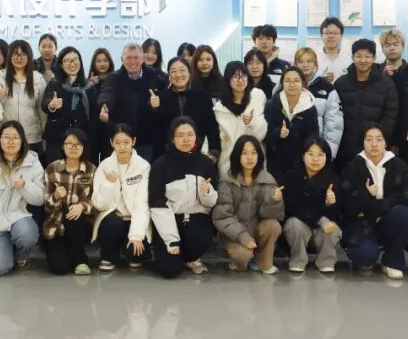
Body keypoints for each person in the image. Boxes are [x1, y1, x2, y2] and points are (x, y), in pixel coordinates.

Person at [339, 124, 408, 280]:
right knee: (364, 256)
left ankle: (392, 260)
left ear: (386, 142)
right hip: (361, 223)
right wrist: (366, 195)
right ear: (362, 142)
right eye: (369, 139)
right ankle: (368, 254)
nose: (374, 144)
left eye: (379, 139)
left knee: (404, 214)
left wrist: (375, 205)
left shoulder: (399, 165)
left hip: (388, 219)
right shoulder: (353, 166)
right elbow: (346, 201)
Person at [148, 117, 219, 278]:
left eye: (190, 134)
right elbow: (157, 203)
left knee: (199, 238)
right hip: (169, 219)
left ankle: (191, 258)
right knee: (169, 270)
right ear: (172, 138)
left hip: (195, 218)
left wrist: (207, 192)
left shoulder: (206, 163)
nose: (185, 139)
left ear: (196, 136)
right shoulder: (160, 165)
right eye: (180, 135)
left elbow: (212, 202)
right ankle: (176, 254)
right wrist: (171, 239)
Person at [0, 120, 45, 275]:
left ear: (22, 140)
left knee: (26, 235)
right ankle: (4, 250)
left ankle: (21, 257)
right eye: (6, 137)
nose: (11, 141)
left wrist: (25, 186)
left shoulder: (33, 162)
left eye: (15, 137)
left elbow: (41, 198)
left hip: (20, 217)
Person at [212, 136, 284, 274]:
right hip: (234, 235)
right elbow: (222, 217)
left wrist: (273, 200)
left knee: (273, 225)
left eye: (253, 153)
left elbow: (274, 216)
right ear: (237, 156)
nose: (249, 157)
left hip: (257, 232)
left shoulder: (267, 179)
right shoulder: (227, 181)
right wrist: (243, 237)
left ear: (259, 155)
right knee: (243, 257)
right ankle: (241, 260)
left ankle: (263, 262)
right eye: (244, 153)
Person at [91, 124, 151, 271]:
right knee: (112, 224)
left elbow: (142, 203)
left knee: (135, 254)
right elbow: (99, 204)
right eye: (117, 143)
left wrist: (136, 235)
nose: (122, 147)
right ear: (111, 143)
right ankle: (109, 256)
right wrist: (109, 183)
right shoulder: (104, 166)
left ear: (133, 141)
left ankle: (129, 249)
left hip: (134, 217)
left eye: (126, 142)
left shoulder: (143, 166)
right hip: (113, 218)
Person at [333, 39, 398, 170]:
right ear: (352, 57)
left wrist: (377, 140)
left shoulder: (386, 84)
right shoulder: (341, 83)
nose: (363, 60)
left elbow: (391, 115)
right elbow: (334, 115)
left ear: (374, 58)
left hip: (374, 147)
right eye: (359, 56)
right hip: (344, 147)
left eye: (368, 56)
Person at [97, 43, 167, 162]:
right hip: (121, 140)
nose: (132, 61)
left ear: (143, 58)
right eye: (129, 58)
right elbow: (107, 92)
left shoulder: (156, 76)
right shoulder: (113, 78)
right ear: (122, 59)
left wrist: (154, 105)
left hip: (146, 141)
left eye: (136, 57)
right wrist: (104, 105)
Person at [282, 136, 342, 273]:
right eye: (311, 154)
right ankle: (298, 260)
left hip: (322, 230)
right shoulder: (291, 176)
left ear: (327, 157)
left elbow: (339, 214)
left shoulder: (333, 178)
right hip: (302, 225)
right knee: (293, 224)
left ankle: (326, 261)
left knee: (332, 227)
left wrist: (330, 204)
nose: (315, 159)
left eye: (320, 155)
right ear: (303, 156)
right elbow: (291, 207)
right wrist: (320, 220)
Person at [42, 128, 97, 276]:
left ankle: (81, 259)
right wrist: (55, 197)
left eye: (78, 144)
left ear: (84, 147)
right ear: (63, 146)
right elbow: (47, 207)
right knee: (59, 268)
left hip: (81, 224)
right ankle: (67, 251)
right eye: (69, 143)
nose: (73, 147)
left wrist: (82, 206)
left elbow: (96, 201)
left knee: (74, 212)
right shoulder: (52, 169)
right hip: (57, 225)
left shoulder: (91, 169)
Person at [149, 57, 221, 162]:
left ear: (190, 73)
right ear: (169, 75)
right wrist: (153, 108)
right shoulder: (162, 98)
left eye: (182, 70)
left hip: (198, 152)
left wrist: (214, 152)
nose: (178, 75)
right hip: (169, 156)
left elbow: (212, 126)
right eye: (173, 71)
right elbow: (157, 130)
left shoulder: (202, 96)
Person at [0, 39, 48, 156]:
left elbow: (42, 110)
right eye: (15, 54)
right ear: (9, 56)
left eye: (23, 54)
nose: (19, 58)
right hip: (5, 138)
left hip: (32, 138)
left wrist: (45, 135)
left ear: (29, 57)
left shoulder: (38, 79)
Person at [42, 46, 99, 164]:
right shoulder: (55, 83)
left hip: (82, 140)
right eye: (67, 61)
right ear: (61, 65)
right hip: (57, 140)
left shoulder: (88, 86)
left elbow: (94, 114)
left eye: (75, 60)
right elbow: (45, 103)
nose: (72, 64)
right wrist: (51, 105)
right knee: (57, 171)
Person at [213, 61, 269, 178]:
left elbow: (261, 134)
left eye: (243, 76)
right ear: (227, 79)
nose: (240, 80)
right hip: (228, 161)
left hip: (254, 159)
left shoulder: (257, 97)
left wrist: (252, 122)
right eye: (235, 76)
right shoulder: (219, 108)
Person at [265, 67, 320, 182]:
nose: (292, 84)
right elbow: (266, 136)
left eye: (296, 80)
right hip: (275, 160)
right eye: (287, 81)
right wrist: (278, 133)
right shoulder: (272, 104)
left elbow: (313, 134)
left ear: (302, 83)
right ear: (282, 83)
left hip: (300, 161)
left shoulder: (310, 107)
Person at [291, 47, 343, 159]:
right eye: (301, 61)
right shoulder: (287, 86)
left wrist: (328, 152)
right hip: (291, 149)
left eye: (309, 61)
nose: (305, 65)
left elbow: (334, 124)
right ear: (295, 64)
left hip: (317, 151)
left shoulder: (327, 88)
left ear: (315, 64)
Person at [315, 17, 349, 83]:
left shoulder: (349, 59)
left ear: (341, 36)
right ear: (321, 36)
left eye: (335, 33)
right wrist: (321, 79)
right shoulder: (314, 58)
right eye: (327, 33)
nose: (331, 36)